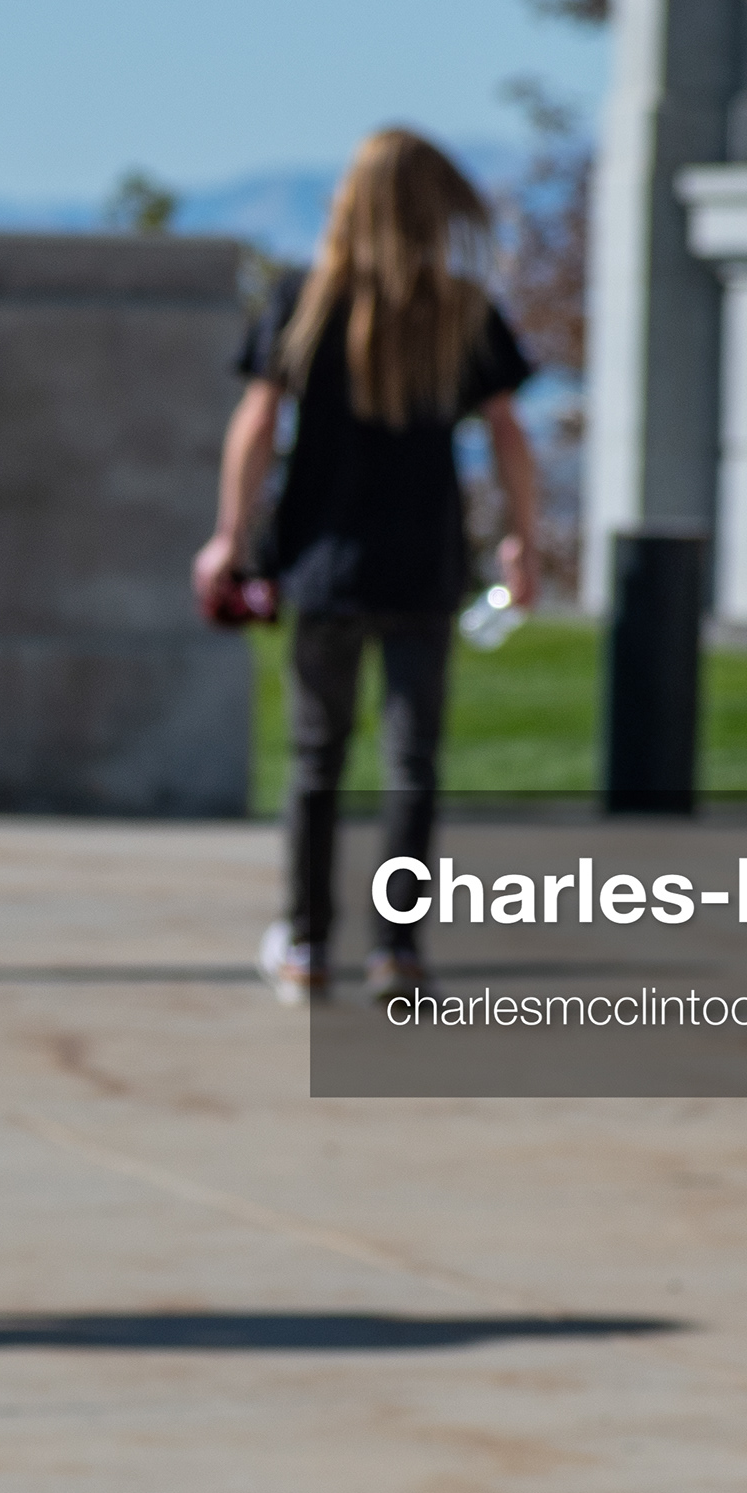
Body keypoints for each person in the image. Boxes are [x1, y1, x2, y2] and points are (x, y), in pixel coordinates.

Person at [193, 127, 541, 1002]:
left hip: (324, 563)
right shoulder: (460, 308)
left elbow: (255, 424)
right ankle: (398, 951)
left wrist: (230, 535)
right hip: (423, 563)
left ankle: (308, 946)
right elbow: (508, 434)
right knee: (412, 762)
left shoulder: (304, 299)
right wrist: (521, 541)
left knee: (318, 759)